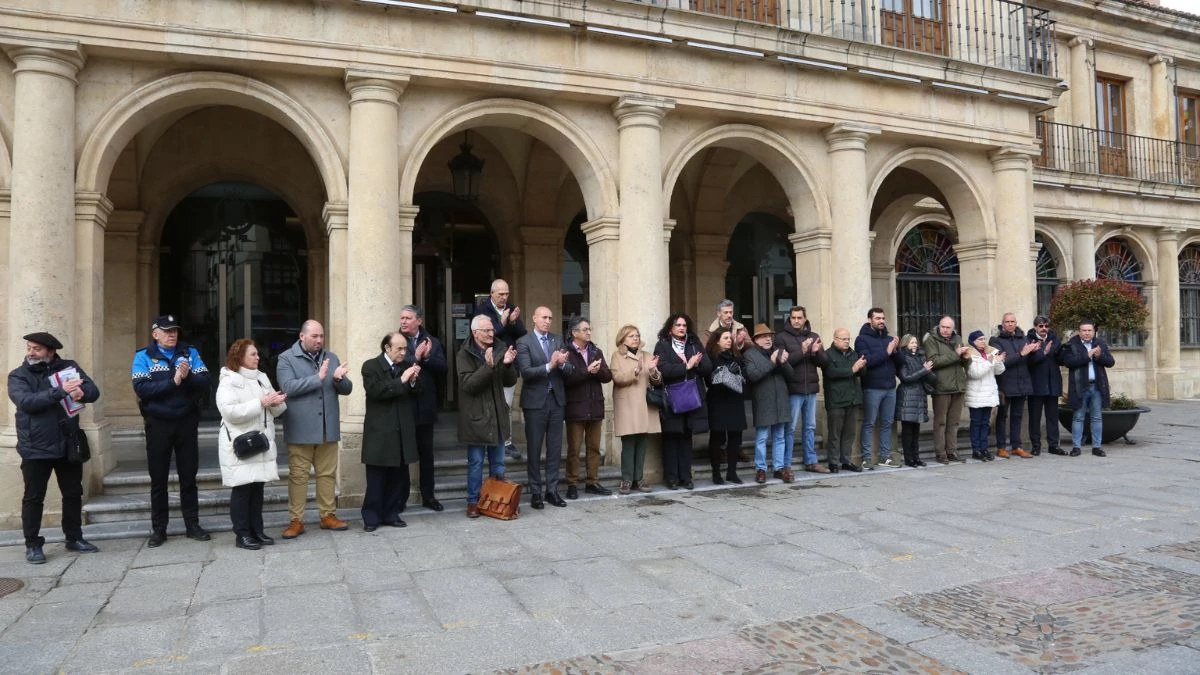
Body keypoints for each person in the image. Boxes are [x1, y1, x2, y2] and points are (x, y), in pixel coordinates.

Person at [9, 332, 101, 564]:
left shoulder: (69, 368)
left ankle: (74, 537)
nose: (31, 352)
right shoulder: (18, 376)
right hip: (35, 446)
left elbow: (93, 391)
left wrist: (83, 392)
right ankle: (32, 544)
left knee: (72, 494)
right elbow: (27, 402)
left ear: (51, 351)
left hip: (68, 442)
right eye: (29, 348)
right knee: (33, 497)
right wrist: (61, 391)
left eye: (37, 349)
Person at [131, 314, 212, 547]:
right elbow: (142, 388)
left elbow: (205, 381)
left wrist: (186, 379)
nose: (172, 335)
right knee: (158, 480)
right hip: (158, 424)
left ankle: (192, 524)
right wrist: (173, 381)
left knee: (189, 477)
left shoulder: (190, 353)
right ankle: (159, 529)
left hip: (186, 422)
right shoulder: (143, 357)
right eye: (167, 331)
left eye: (175, 330)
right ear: (155, 334)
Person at [276, 320, 353, 539]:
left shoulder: (332, 357)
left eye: (322, 336)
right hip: (300, 428)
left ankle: (328, 515)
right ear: (302, 336)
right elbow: (288, 387)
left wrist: (338, 379)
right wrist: (317, 378)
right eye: (314, 336)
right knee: (299, 476)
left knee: (327, 474)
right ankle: (296, 520)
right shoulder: (286, 358)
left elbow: (347, 389)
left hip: (327, 428)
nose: (319, 340)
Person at [215, 339, 287, 550]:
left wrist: (277, 401)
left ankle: (257, 530)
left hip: (261, 442)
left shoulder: (262, 377)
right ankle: (242, 534)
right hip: (241, 443)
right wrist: (261, 403)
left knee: (257, 489)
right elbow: (229, 412)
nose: (258, 357)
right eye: (253, 354)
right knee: (242, 490)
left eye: (257, 354)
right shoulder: (228, 380)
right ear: (240, 357)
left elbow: (276, 410)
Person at [458, 315, 519, 517]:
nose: (491, 333)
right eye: (486, 331)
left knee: (499, 464)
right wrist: (488, 367)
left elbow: (509, 382)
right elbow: (469, 386)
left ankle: (497, 502)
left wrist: (508, 365)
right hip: (476, 417)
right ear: (475, 332)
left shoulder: (500, 349)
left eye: (492, 330)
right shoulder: (464, 354)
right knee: (475, 463)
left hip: (497, 416)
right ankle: (473, 502)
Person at [360, 332, 421, 531]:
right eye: (399, 349)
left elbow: (415, 394)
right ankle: (371, 517)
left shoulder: (405, 366)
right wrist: (402, 380)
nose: (404, 352)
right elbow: (376, 391)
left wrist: (412, 382)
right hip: (380, 432)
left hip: (401, 431)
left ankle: (391, 513)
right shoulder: (371, 366)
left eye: (405, 349)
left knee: (398, 479)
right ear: (387, 348)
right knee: (376, 479)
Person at [516, 306, 574, 509]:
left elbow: (568, 370)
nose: (548, 321)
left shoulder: (558, 340)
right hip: (535, 402)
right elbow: (526, 372)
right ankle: (535, 492)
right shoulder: (524, 342)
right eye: (544, 317)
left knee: (555, 448)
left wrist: (563, 363)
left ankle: (552, 490)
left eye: (550, 317)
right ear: (534, 318)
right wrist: (551, 365)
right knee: (534, 448)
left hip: (556, 401)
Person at [654, 313, 713, 489]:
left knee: (686, 438)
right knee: (671, 438)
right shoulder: (663, 344)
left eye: (684, 325)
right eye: (678, 325)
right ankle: (671, 478)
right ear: (670, 328)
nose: (681, 328)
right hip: (672, 398)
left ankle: (686, 477)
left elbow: (708, 367)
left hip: (691, 397)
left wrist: (696, 364)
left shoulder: (694, 344)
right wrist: (686, 366)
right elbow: (662, 368)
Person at [398, 305, 447, 511]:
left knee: (427, 455)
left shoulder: (432, 341)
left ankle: (429, 496)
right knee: (402, 456)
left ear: (419, 320)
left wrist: (426, 357)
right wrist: (414, 357)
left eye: (408, 318)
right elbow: (394, 365)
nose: (403, 321)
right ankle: (400, 498)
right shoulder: (394, 341)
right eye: (401, 318)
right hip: (403, 406)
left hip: (425, 407)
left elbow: (443, 368)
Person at [476, 279, 527, 460]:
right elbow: (485, 336)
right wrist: (503, 323)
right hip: (488, 363)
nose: (504, 297)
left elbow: (522, 332)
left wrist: (513, 321)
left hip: (508, 366)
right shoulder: (482, 310)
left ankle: (506, 441)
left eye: (506, 294)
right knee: (487, 404)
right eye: (500, 294)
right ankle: (488, 439)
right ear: (492, 293)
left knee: (506, 405)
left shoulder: (511, 308)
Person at [563, 316, 613, 498]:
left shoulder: (595, 351)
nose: (589, 332)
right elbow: (567, 379)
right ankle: (572, 483)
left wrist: (597, 370)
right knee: (574, 449)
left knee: (594, 448)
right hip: (575, 408)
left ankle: (592, 481)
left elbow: (607, 376)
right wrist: (587, 371)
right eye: (585, 330)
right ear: (575, 333)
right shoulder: (565, 351)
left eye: (590, 329)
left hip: (595, 407)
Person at [775, 306, 829, 474]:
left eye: (799, 318)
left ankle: (811, 461)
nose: (796, 321)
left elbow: (824, 362)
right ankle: (786, 464)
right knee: (790, 428)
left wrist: (815, 352)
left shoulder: (814, 336)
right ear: (789, 319)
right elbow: (784, 362)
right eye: (793, 318)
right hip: (793, 389)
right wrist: (803, 350)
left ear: (805, 319)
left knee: (810, 427)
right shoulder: (781, 338)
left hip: (811, 389)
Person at [609, 324, 661, 494]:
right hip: (627, 405)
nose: (635, 338)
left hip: (644, 405)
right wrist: (635, 371)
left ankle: (639, 478)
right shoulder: (617, 356)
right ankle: (626, 479)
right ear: (623, 339)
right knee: (629, 442)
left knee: (642, 442)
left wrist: (653, 371)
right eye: (631, 336)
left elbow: (657, 381)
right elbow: (617, 378)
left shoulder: (647, 355)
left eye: (637, 335)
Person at [742, 324, 792, 484]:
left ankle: (779, 468)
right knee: (762, 437)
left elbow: (791, 374)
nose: (768, 339)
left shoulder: (779, 351)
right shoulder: (750, 354)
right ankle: (761, 469)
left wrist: (783, 362)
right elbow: (753, 376)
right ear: (756, 339)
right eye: (764, 336)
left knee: (780, 437)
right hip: (763, 400)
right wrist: (772, 362)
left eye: (770, 336)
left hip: (781, 400)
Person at [855, 308, 905, 469]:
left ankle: (885, 456)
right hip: (872, 387)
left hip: (890, 387)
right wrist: (887, 352)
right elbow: (866, 361)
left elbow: (900, 362)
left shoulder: (889, 339)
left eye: (883, 318)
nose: (881, 321)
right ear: (870, 320)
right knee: (869, 423)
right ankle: (866, 458)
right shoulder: (861, 339)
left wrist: (895, 351)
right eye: (877, 318)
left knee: (887, 423)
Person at [1059, 319, 1115, 457]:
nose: (1087, 333)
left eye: (1089, 330)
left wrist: (1099, 356)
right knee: (1078, 417)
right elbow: (1068, 362)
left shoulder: (1100, 343)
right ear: (1079, 331)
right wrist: (1087, 356)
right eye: (1084, 330)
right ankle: (1076, 447)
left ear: (1094, 331)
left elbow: (1110, 362)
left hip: (1097, 386)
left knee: (1097, 418)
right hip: (1080, 387)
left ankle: (1097, 447)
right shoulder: (1072, 344)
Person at [923, 316, 971, 464]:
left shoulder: (957, 338)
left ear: (953, 328)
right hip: (942, 386)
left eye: (948, 327)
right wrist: (956, 354)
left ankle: (952, 451)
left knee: (954, 422)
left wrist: (965, 357)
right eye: (943, 327)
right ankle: (940, 452)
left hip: (958, 385)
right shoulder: (931, 339)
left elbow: (962, 362)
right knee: (940, 422)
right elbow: (933, 361)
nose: (945, 330)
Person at [989, 313, 1037, 459]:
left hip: (1022, 383)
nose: (1010, 324)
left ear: (1016, 323)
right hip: (1005, 383)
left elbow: (1029, 361)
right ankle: (1001, 447)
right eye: (1007, 322)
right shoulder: (995, 340)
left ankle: (1017, 446)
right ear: (1002, 324)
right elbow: (1002, 362)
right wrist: (1022, 354)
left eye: (1012, 321)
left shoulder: (1023, 338)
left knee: (1017, 416)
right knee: (1002, 416)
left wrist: (1036, 352)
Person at [704, 327, 747, 485]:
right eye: (725, 338)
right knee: (717, 438)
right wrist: (726, 373)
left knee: (735, 439)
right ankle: (716, 474)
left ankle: (732, 473)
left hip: (735, 401)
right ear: (717, 341)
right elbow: (711, 380)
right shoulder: (711, 358)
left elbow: (744, 379)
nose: (729, 340)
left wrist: (736, 375)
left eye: (730, 338)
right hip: (718, 401)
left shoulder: (737, 357)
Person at [821, 328, 867, 472]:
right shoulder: (828, 354)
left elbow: (861, 373)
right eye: (843, 339)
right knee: (834, 433)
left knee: (849, 433)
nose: (847, 341)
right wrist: (852, 369)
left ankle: (846, 460)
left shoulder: (853, 354)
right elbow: (831, 373)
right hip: (836, 400)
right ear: (835, 339)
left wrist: (862, 366)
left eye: (848, 339)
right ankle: (833, 462)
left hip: (852, 400)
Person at [965, 329, 1006, 461]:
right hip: (976, 394)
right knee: (976, 423)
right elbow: (975, 373)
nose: (983, 341)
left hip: (988, 394)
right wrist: (990, 361)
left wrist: (998, 360)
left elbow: (999, 371)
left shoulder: (990, 352)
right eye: (980, 339)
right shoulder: (970, 354)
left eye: (984, 339)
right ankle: (976, 449)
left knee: (985, 423)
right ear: (973, 342)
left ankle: (984, 448)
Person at [1026, 315, 1063, 456]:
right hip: (1036, 384)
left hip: (1052, 383)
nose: (1044, 329)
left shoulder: (1055, 339)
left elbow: (1060, 358)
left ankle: (1054, 445)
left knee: (1052, 417)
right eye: (1041, 326)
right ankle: (1036, 445)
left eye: (1046, 326)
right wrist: (1044, 352)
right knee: (1035, 417)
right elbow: (1029, 361)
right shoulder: (1029, 340)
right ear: (1035, 327)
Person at [896, 334, 935, 468]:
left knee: (916, 431)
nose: (914, 345)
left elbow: (930, 378)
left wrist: (928, 371)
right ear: (905, 344)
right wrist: (924, 370)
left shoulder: (920, 357)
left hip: (919, 395)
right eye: (912, 342)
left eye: (916, 342)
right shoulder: (902, 358)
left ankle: (916, 457)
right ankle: (909, 458)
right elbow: (905, 377)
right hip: (908, 396)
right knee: (907, 431)